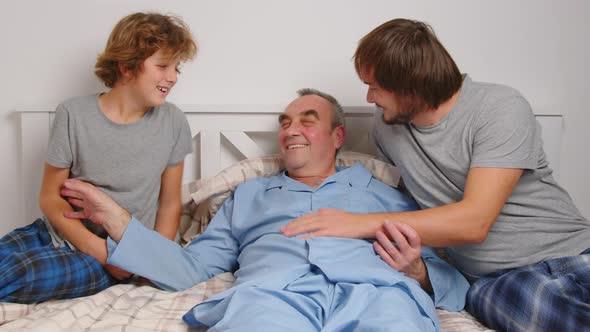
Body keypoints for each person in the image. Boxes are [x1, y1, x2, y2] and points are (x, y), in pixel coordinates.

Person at [60, 89, 469, 331]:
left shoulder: (385, 194)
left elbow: (451, 279)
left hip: (377, 296)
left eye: (307, 122)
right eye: (285, 122)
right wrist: (116, 219)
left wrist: (418, 273)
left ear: (337, 135)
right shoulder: (248, 195)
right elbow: (190, 270)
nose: (291, 130)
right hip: (271, 296)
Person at [280, 18, 590, 331]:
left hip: (568, 253)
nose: (369, 98)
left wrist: (354, 224)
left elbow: (475, 222)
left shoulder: (499, 107)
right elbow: (403, 205)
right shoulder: (386, 127)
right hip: (494, 282)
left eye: (375, 87)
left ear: (410, 85)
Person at [0, 12, 197, 303]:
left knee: (20, 273)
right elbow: (49, 197)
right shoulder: (73, 114)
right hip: (53, 233)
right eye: (163, 65)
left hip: (114, 257)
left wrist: (152, 261)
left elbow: (169, 202)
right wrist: (95, 248)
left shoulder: (173, 122)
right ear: (127, 67)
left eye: (177, 67)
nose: (173, 77)